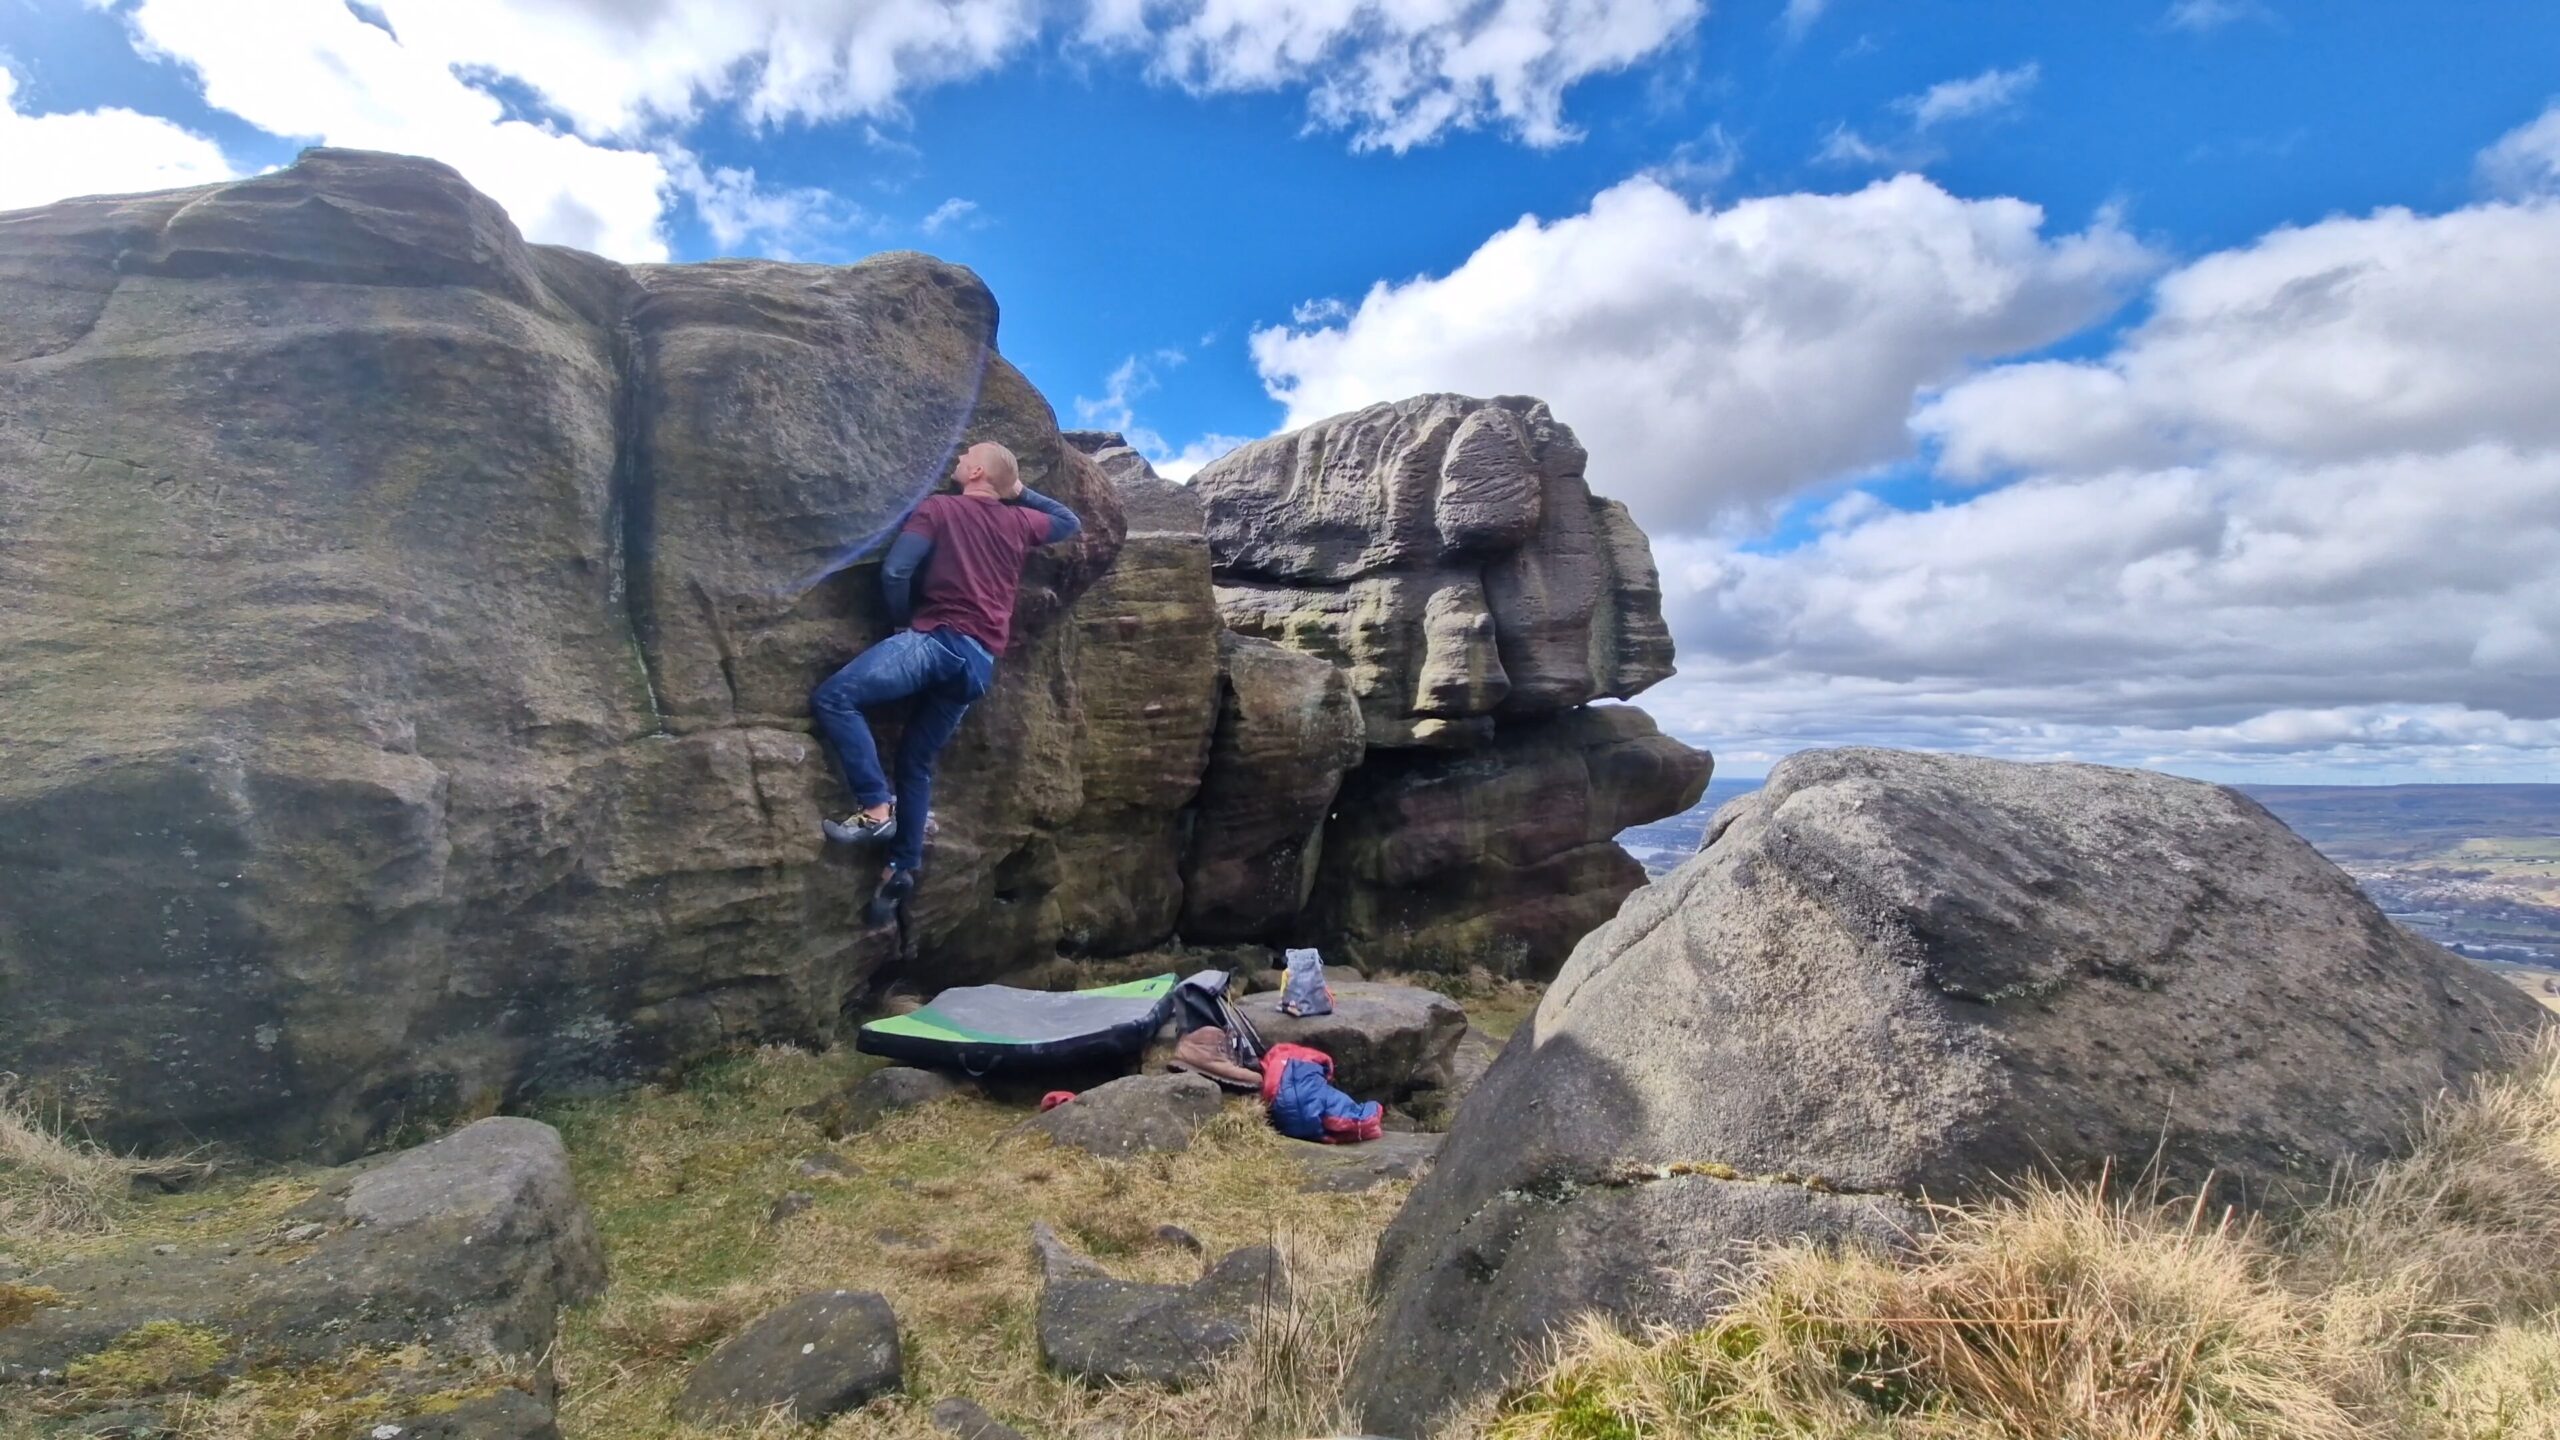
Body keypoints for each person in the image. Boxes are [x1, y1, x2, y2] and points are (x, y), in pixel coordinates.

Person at [810, 440, 1081, 923]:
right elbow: (1068, 521)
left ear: (976, 473)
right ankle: (901, 868)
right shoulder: (1020, 522)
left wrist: (901, 623)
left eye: (965, 457)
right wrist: (1018, 490)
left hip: (937, 641)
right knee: (916, 762)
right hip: (978, 666)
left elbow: (897, 571)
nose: (957, 460)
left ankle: (876, 810)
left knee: (836, 698)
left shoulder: (939, 509)